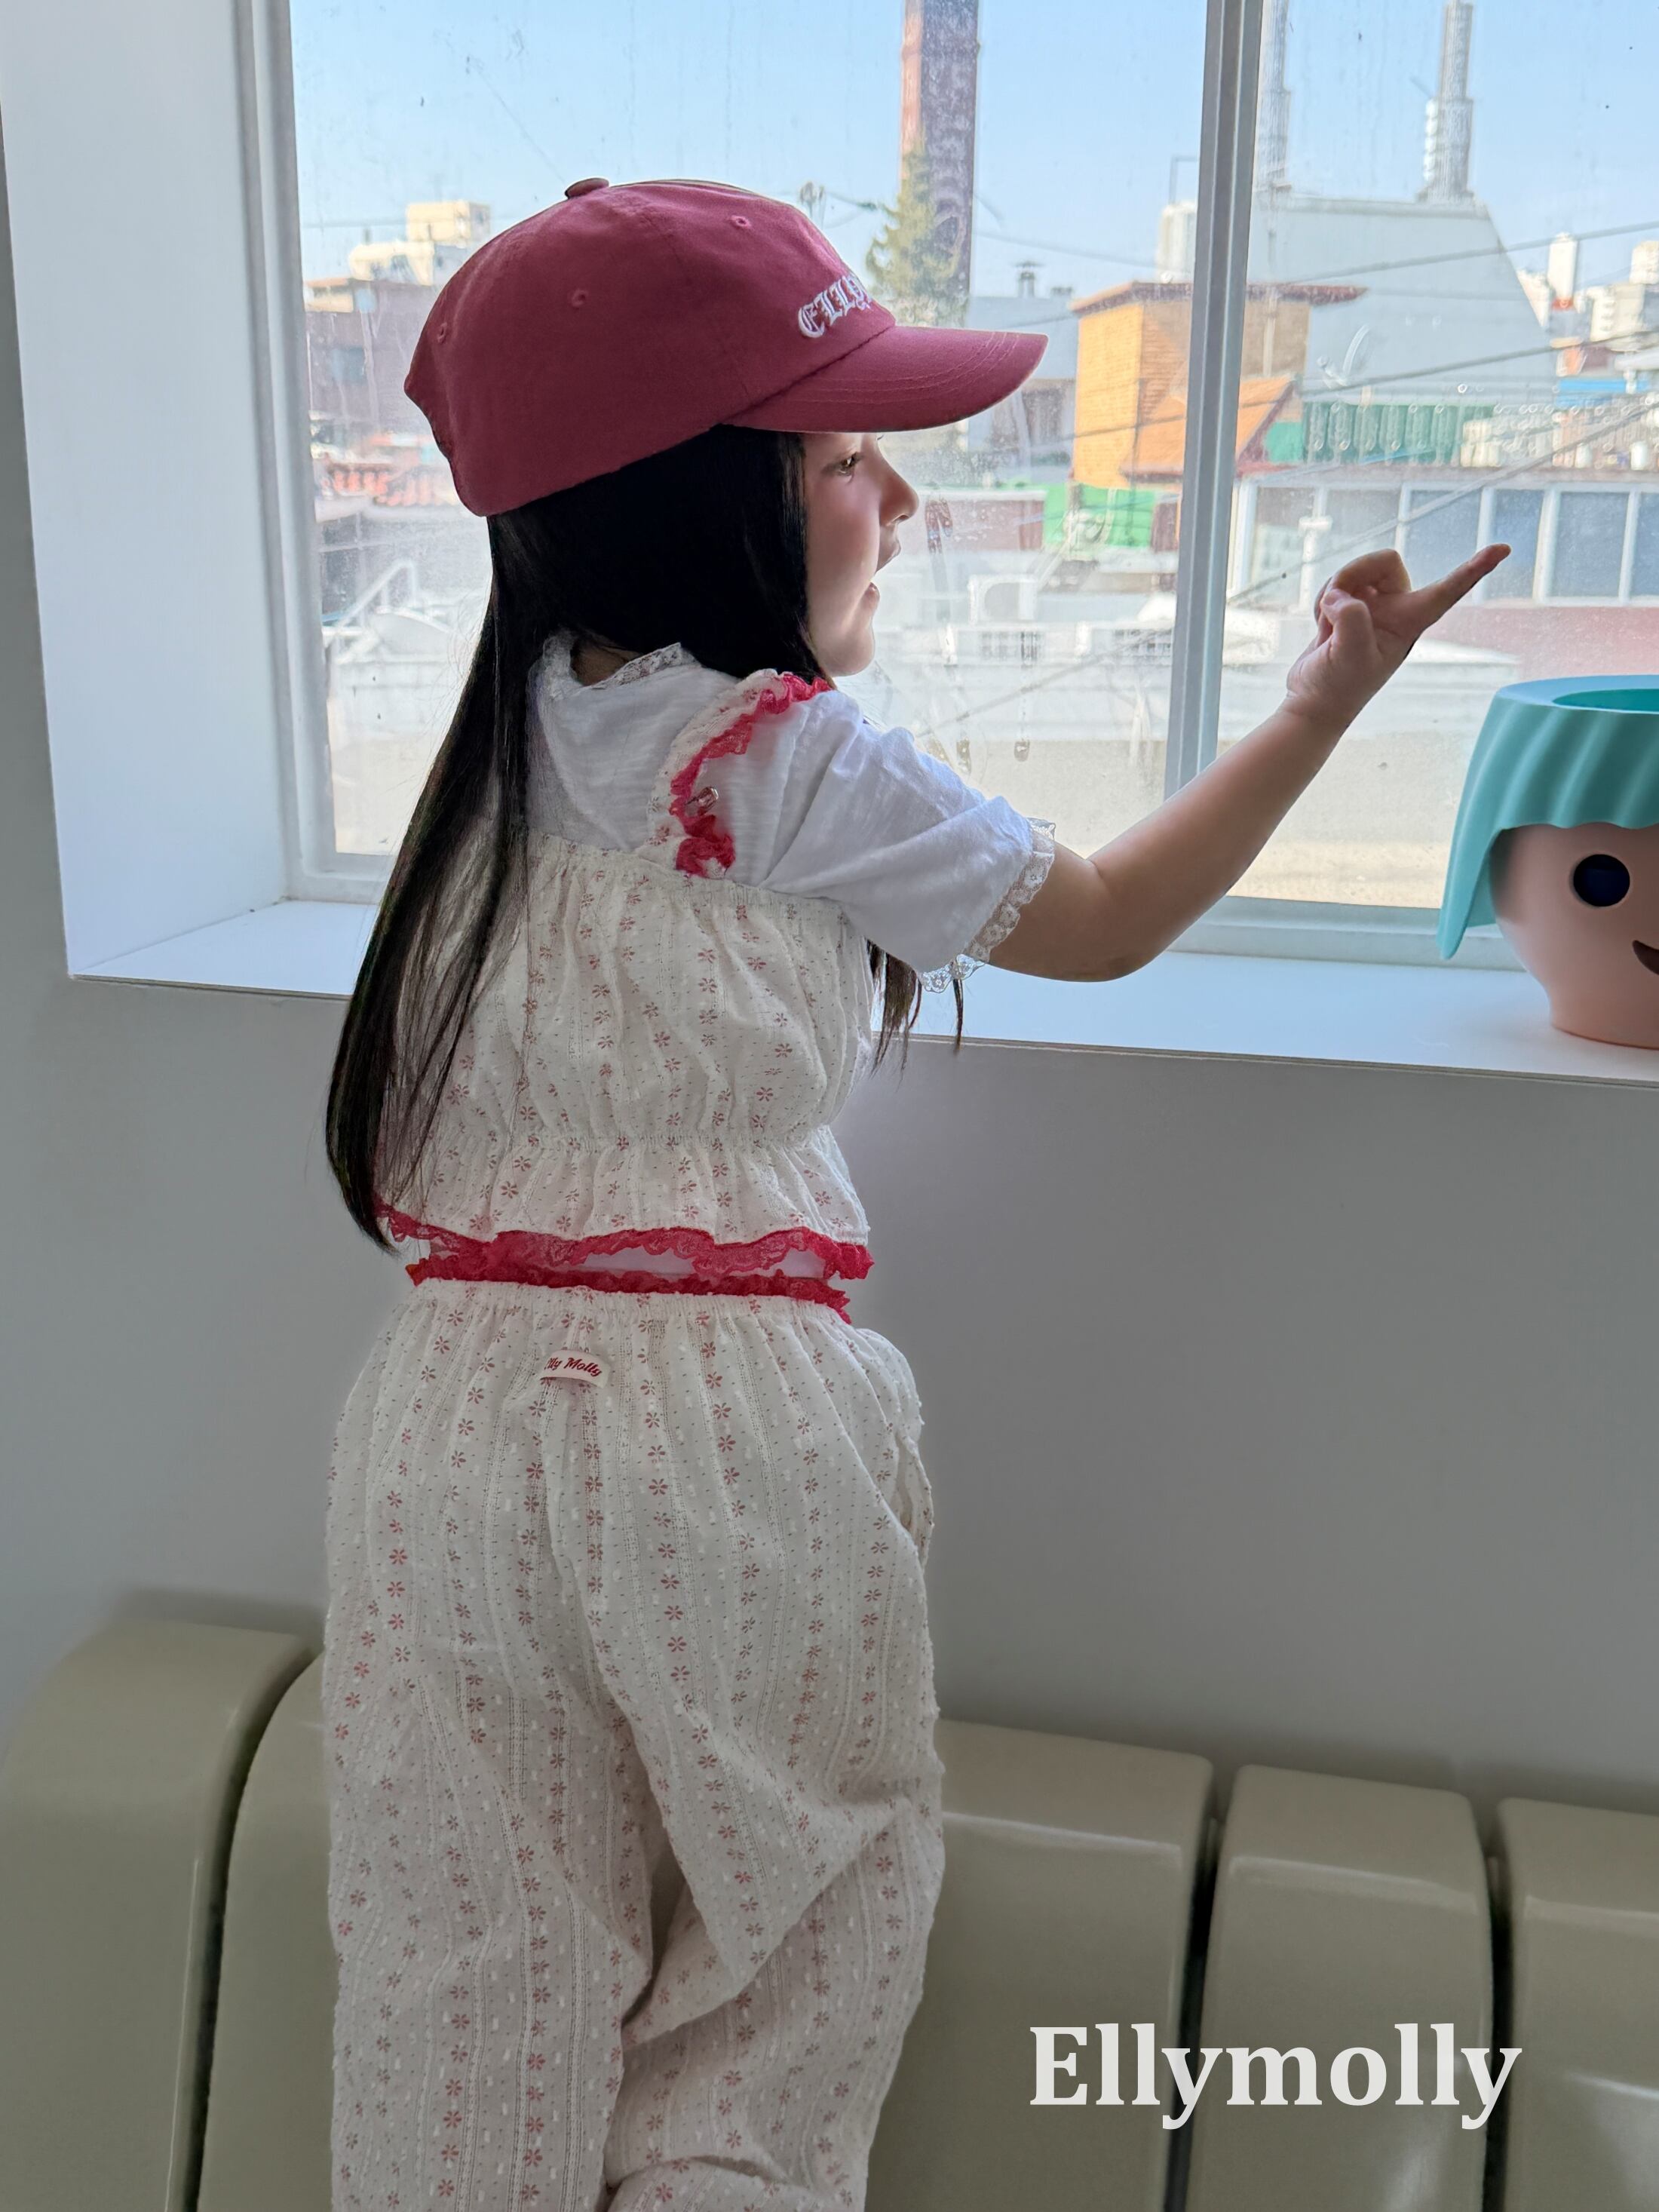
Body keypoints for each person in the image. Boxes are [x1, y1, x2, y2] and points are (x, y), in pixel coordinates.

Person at [320, 177, 1507, 2212]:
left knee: (461, 1951)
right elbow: (1104, 920)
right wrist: (1327, 694)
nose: (900, 501)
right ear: (701, 500)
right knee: (792, 1938)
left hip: (436, 1432)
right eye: (849, 459)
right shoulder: (778, 751)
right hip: (721, 1432)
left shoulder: (491, 758)